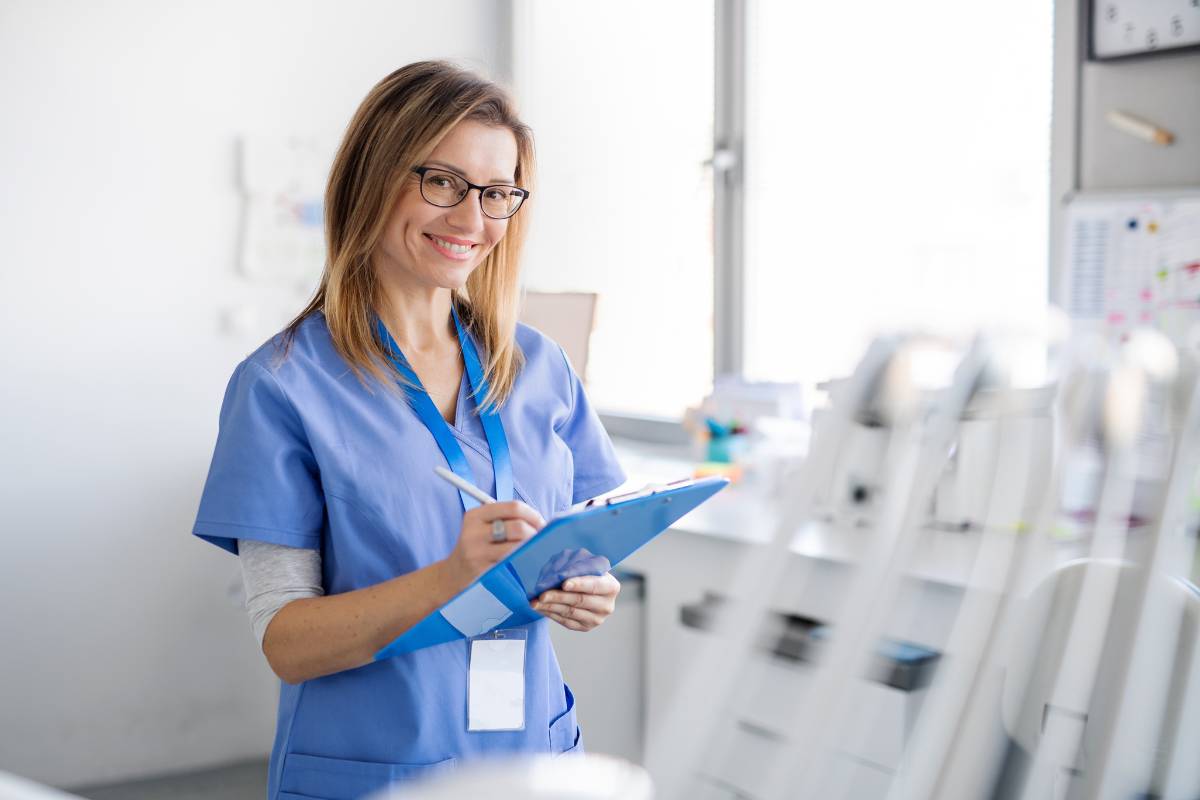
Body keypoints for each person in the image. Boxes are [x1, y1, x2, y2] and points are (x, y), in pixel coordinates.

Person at [191, 60, 627, 800]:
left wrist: (591, 587)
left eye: (496, 193)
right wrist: (450, 579)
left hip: (535, 756)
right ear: (374, 175)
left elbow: (588, 542)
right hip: (373, 767)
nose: (471, 220)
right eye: (443, 182)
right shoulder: (281, 386)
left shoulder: (539, 366)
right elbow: (286, 643)